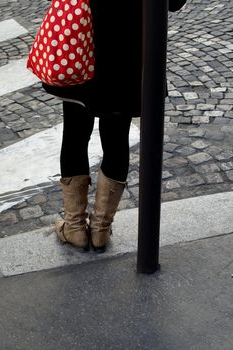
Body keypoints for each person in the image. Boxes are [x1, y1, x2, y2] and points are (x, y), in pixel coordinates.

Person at [43, 0, 187, 252]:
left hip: (83, 43)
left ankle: (75, 228)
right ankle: (100, 230)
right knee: (116, 136)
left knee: (75, 132)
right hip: (129, 55)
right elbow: (174, 2)